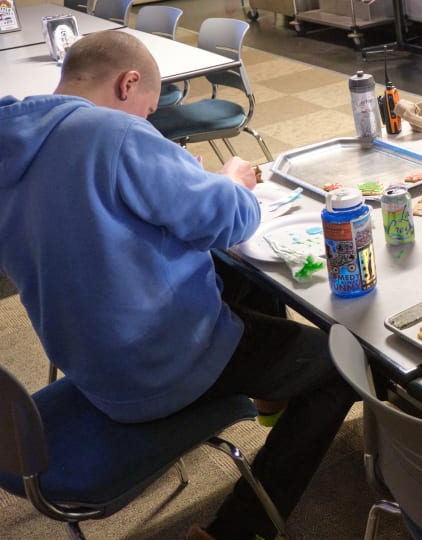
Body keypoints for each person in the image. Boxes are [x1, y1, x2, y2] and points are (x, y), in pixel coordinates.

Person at [0, 31, 355, 540]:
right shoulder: (113, 134)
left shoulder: (16, 139)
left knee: (237, 273)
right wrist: (232, 179)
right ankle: (238, 529)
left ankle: (270, 399)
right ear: (128, 84)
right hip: (155, 370)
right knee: (337, 365)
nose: (146, 124)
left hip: (87, 361)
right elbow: (228, 218)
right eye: (147, 113)